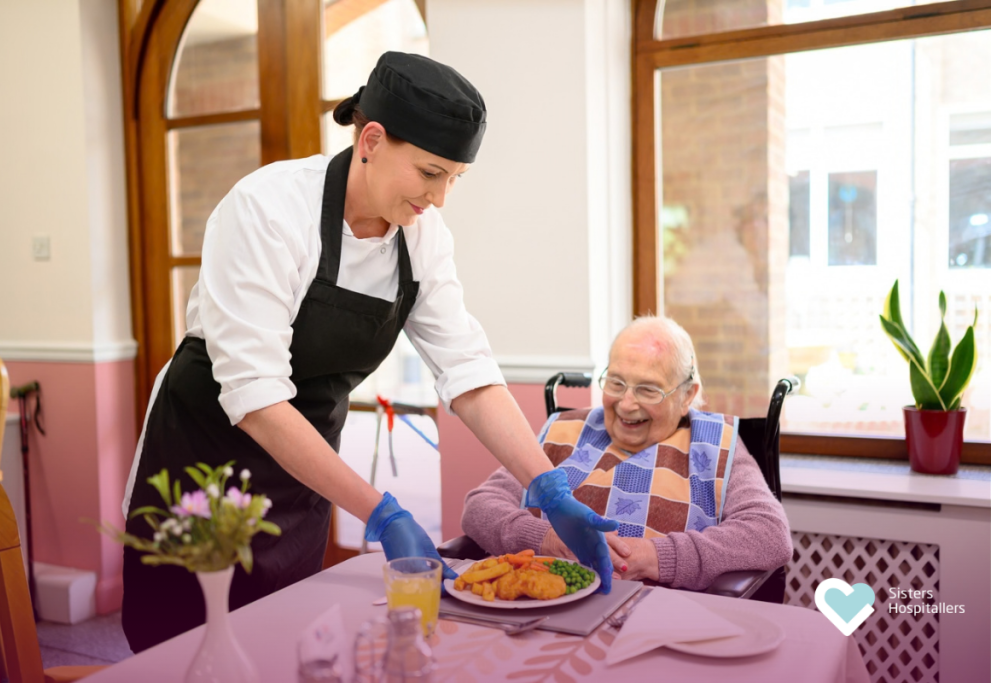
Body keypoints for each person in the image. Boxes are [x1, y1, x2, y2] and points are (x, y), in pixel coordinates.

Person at [120, 51, 617, 652]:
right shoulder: (268, 209)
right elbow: (254, 397)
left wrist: (548, 486)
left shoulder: (422, 238)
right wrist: (381, 512)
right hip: (204, 458)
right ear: (372, 140)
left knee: (282, 643)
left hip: (301, 469)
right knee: (186, 649)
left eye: (455, 178)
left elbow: (468, 372)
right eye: (431, 173)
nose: (439, 199)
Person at [461, 315, 793, 590]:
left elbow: (768, 533)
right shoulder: (564, 430)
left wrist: (657, 556)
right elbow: (479, 506)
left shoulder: (716, 445)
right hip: (548, 610)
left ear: (687, 396)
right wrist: (546, 539)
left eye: (648, 390)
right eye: (616, 383)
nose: (626, 403)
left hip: (664, 622)